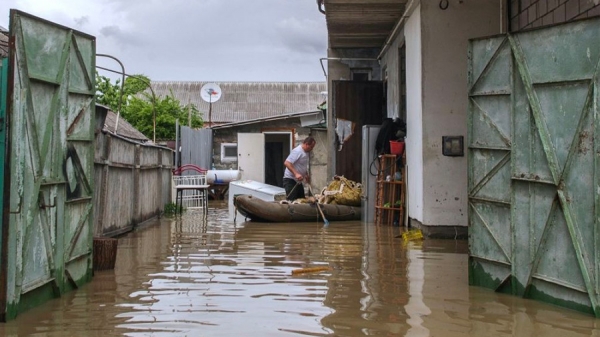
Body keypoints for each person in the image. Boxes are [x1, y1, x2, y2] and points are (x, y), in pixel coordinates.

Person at [283, 136, 316, 201]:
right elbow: (287, 163)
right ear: (306, 144)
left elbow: (302, 164)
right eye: (311, 147)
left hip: (298, 181)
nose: (311, 149)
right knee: (292, 201)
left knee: (301, 200)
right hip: (290, 180)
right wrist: (296, 174)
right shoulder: (297, 151)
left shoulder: (306, 153)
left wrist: (306, 174)